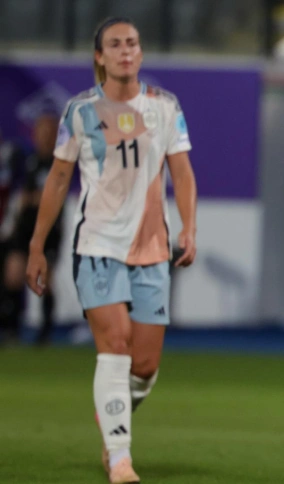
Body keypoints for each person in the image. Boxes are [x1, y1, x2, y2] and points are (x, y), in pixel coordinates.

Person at [25, 17, 198, 483]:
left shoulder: (164, 107)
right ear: (99, 56)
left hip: (152, 249)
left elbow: (181, 172)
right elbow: (59, 177)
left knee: (144, 366)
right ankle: (120, 458)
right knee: (116, 345)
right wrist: (37, 245)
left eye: (133, 43)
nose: (127, 51)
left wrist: (189, 228)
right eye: (115, 44)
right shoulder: (80, 111)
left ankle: (112, 419)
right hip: (98, 245)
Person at [5, 113, 63, 345]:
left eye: (49, 133)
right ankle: (12, 328)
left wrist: (37, 199)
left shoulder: (61, 163)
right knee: (13, 275)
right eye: (41, 133)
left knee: (44, 279)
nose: (44, 138)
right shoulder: (27, 162)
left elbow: (55, 196)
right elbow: (20, 196)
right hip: (24, 229)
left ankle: (46, 331)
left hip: (50, 231)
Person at [0, 128, 25, 344]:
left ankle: (12, 329)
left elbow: (19, 193)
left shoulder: (12, 156)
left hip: (9, 230)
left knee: (13, 279)